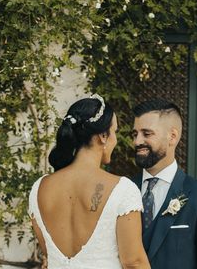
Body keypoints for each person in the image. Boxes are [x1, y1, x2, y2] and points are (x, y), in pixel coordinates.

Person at [29, 95, 150, 269]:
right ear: (102, 135)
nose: (115, 140)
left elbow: (49, 256)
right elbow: (134, 263)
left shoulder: (39, 188)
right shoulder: (122, 190)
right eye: (114, 132)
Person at [131, 99, 197, 269]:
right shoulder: (122, 189)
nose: (137, 141)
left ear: (173, 136)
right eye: (135, 134)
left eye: (146, 134)